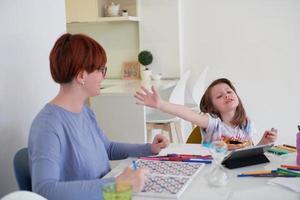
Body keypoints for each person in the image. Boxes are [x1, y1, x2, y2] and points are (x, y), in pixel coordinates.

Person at [28, 33, 169, 200]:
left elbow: (107, 148)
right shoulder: (47, 125)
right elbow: (44, 190)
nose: (104, 76)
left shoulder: (86, 112)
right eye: (101, 70)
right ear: (81, 76)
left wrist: (148, 149)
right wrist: (116, 186)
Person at [134, 78, 277, 150]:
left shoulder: (246, 123)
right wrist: (161, 104)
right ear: (212, 107)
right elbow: (188, 114)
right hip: (212, 173)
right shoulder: (213, 123)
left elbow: (249, 151)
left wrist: (265, 143)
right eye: (219, 96)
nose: (226, 95)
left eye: (229, 92)